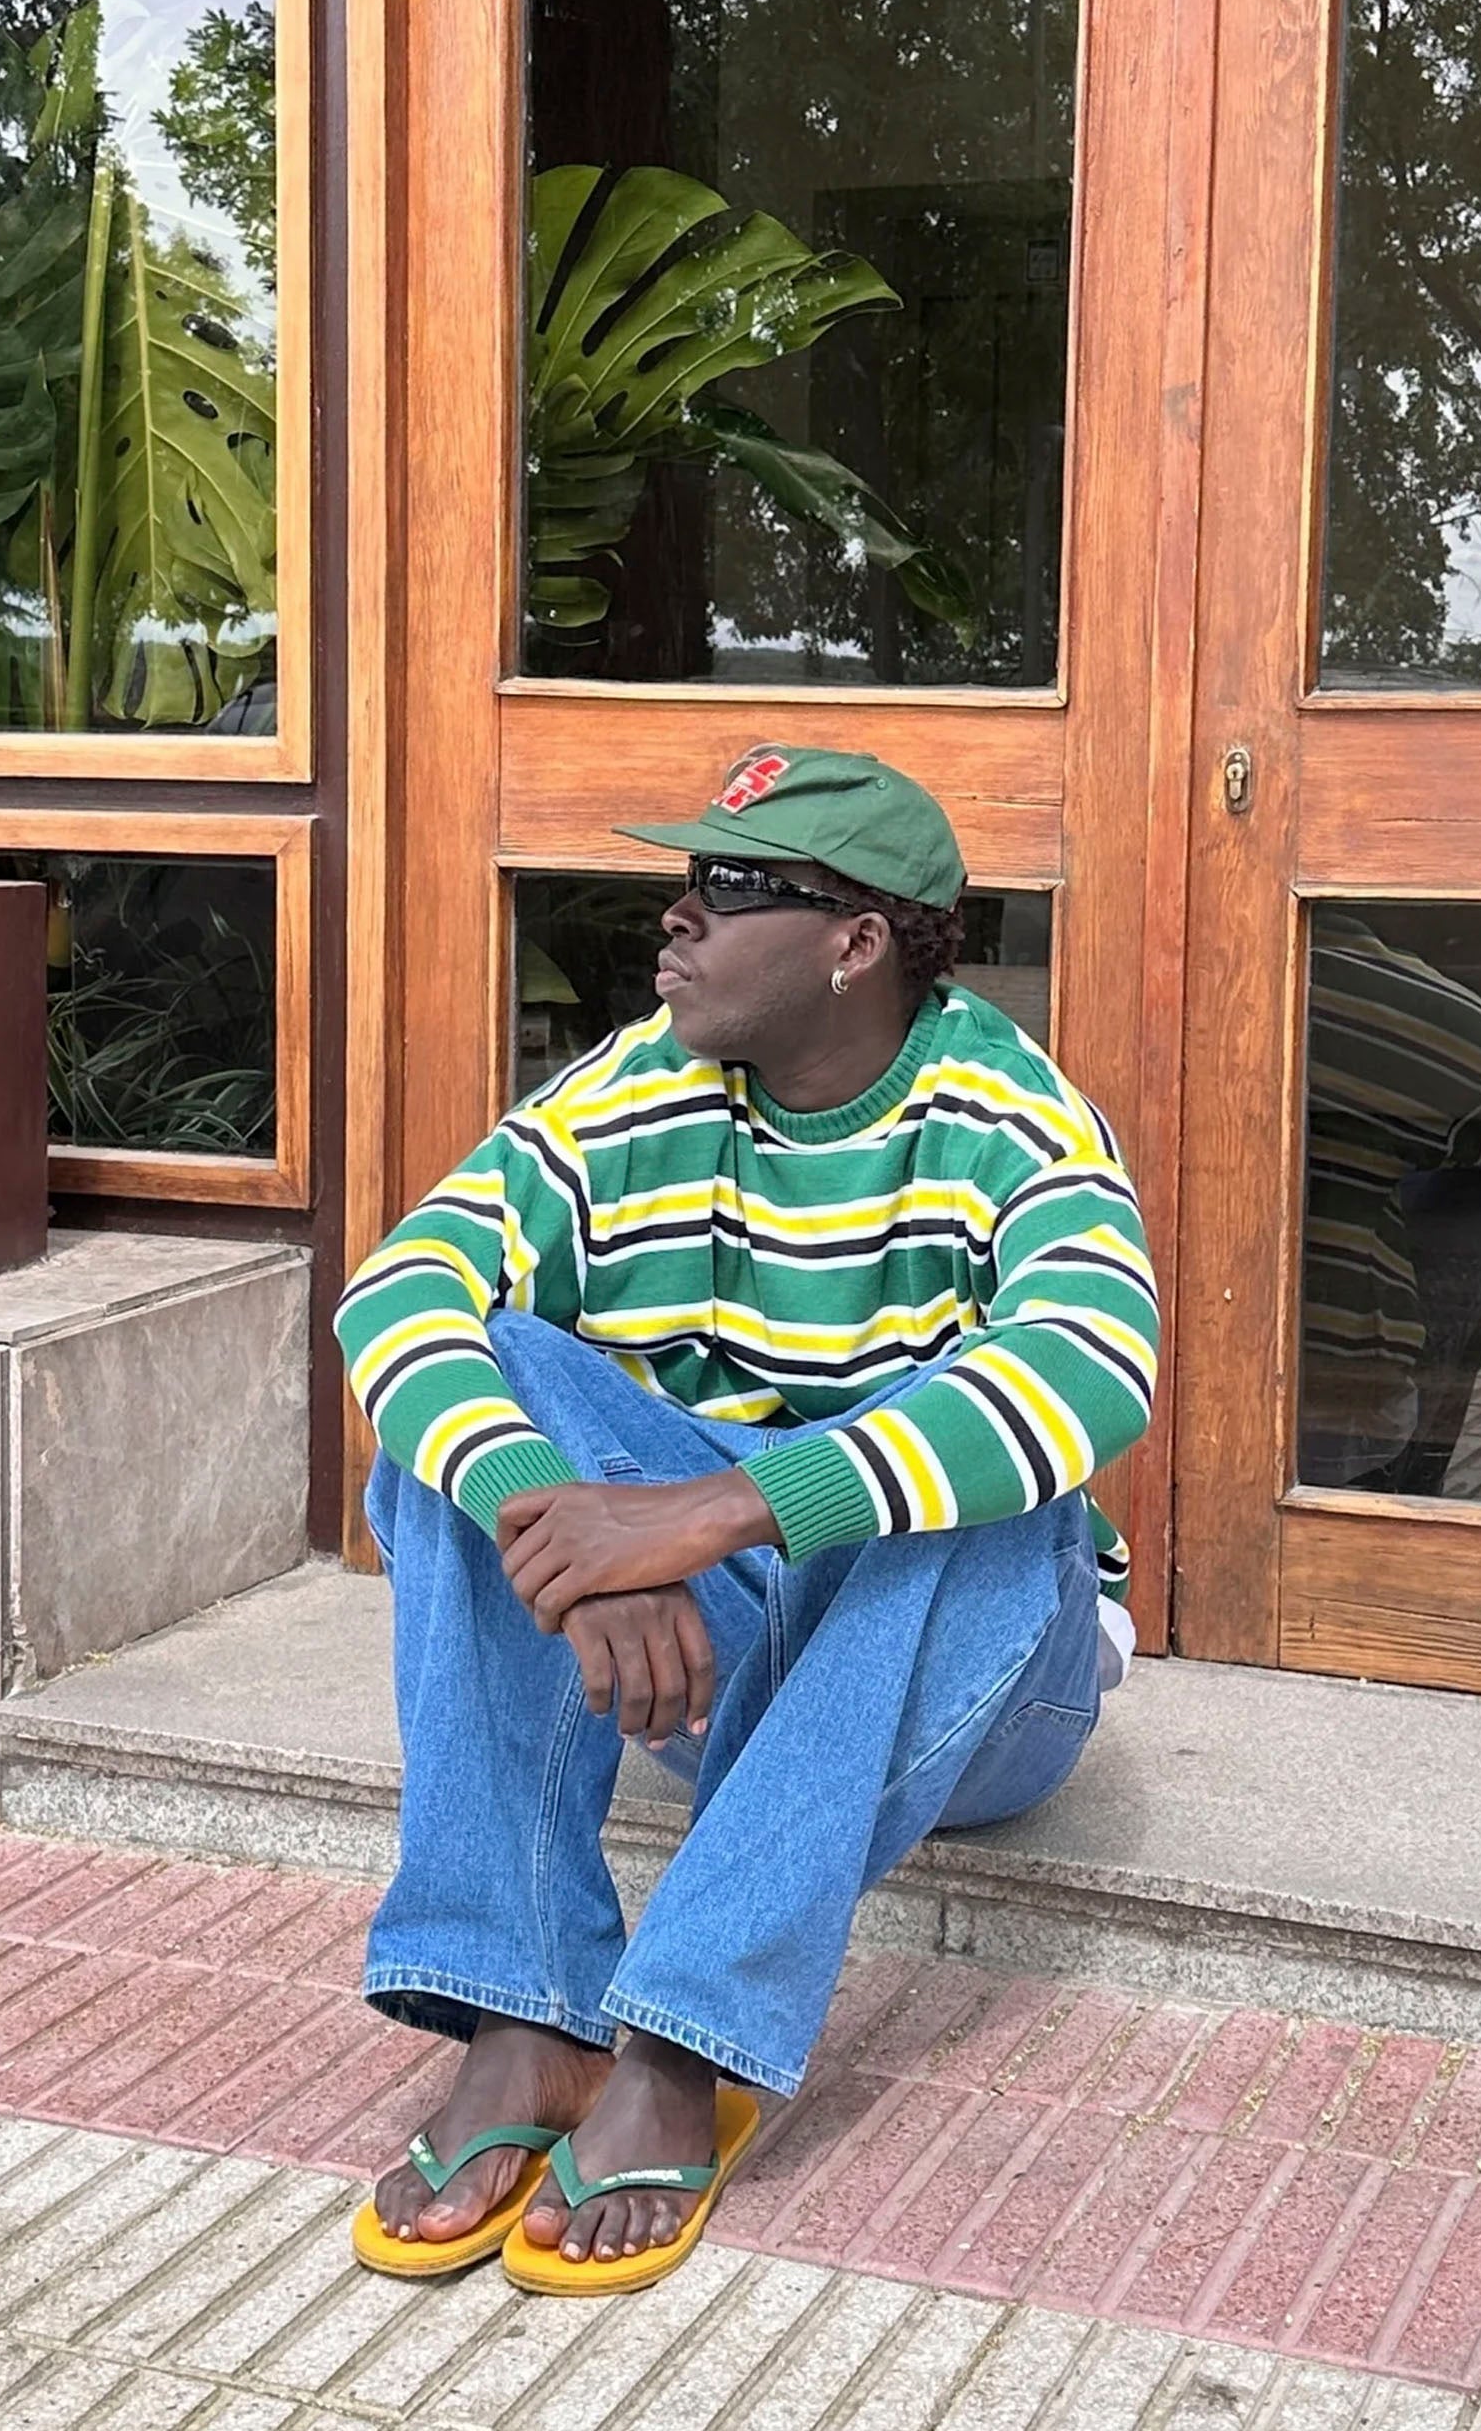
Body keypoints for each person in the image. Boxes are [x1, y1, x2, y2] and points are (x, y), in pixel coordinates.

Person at [335, 746, 1158, 2297]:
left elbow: (1093, 1369)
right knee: (476, 1398)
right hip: (706, 1665)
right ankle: (521, 2015)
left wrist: (703, 1515)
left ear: (856, 942)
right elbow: (399, 1289)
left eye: (726, 891)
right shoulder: (644, 1078)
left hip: (976, 1686)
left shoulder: (1010, 1114)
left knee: (996, 1491)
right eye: (684, 886)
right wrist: (563, 1535)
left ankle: (679, 2037)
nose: (675, 921)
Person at [1300, 910, 1481, 1491]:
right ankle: (1411, 1475)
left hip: (1101, 1379)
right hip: (1322, 1416)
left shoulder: (1082, 967)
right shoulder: (1392, 1004)